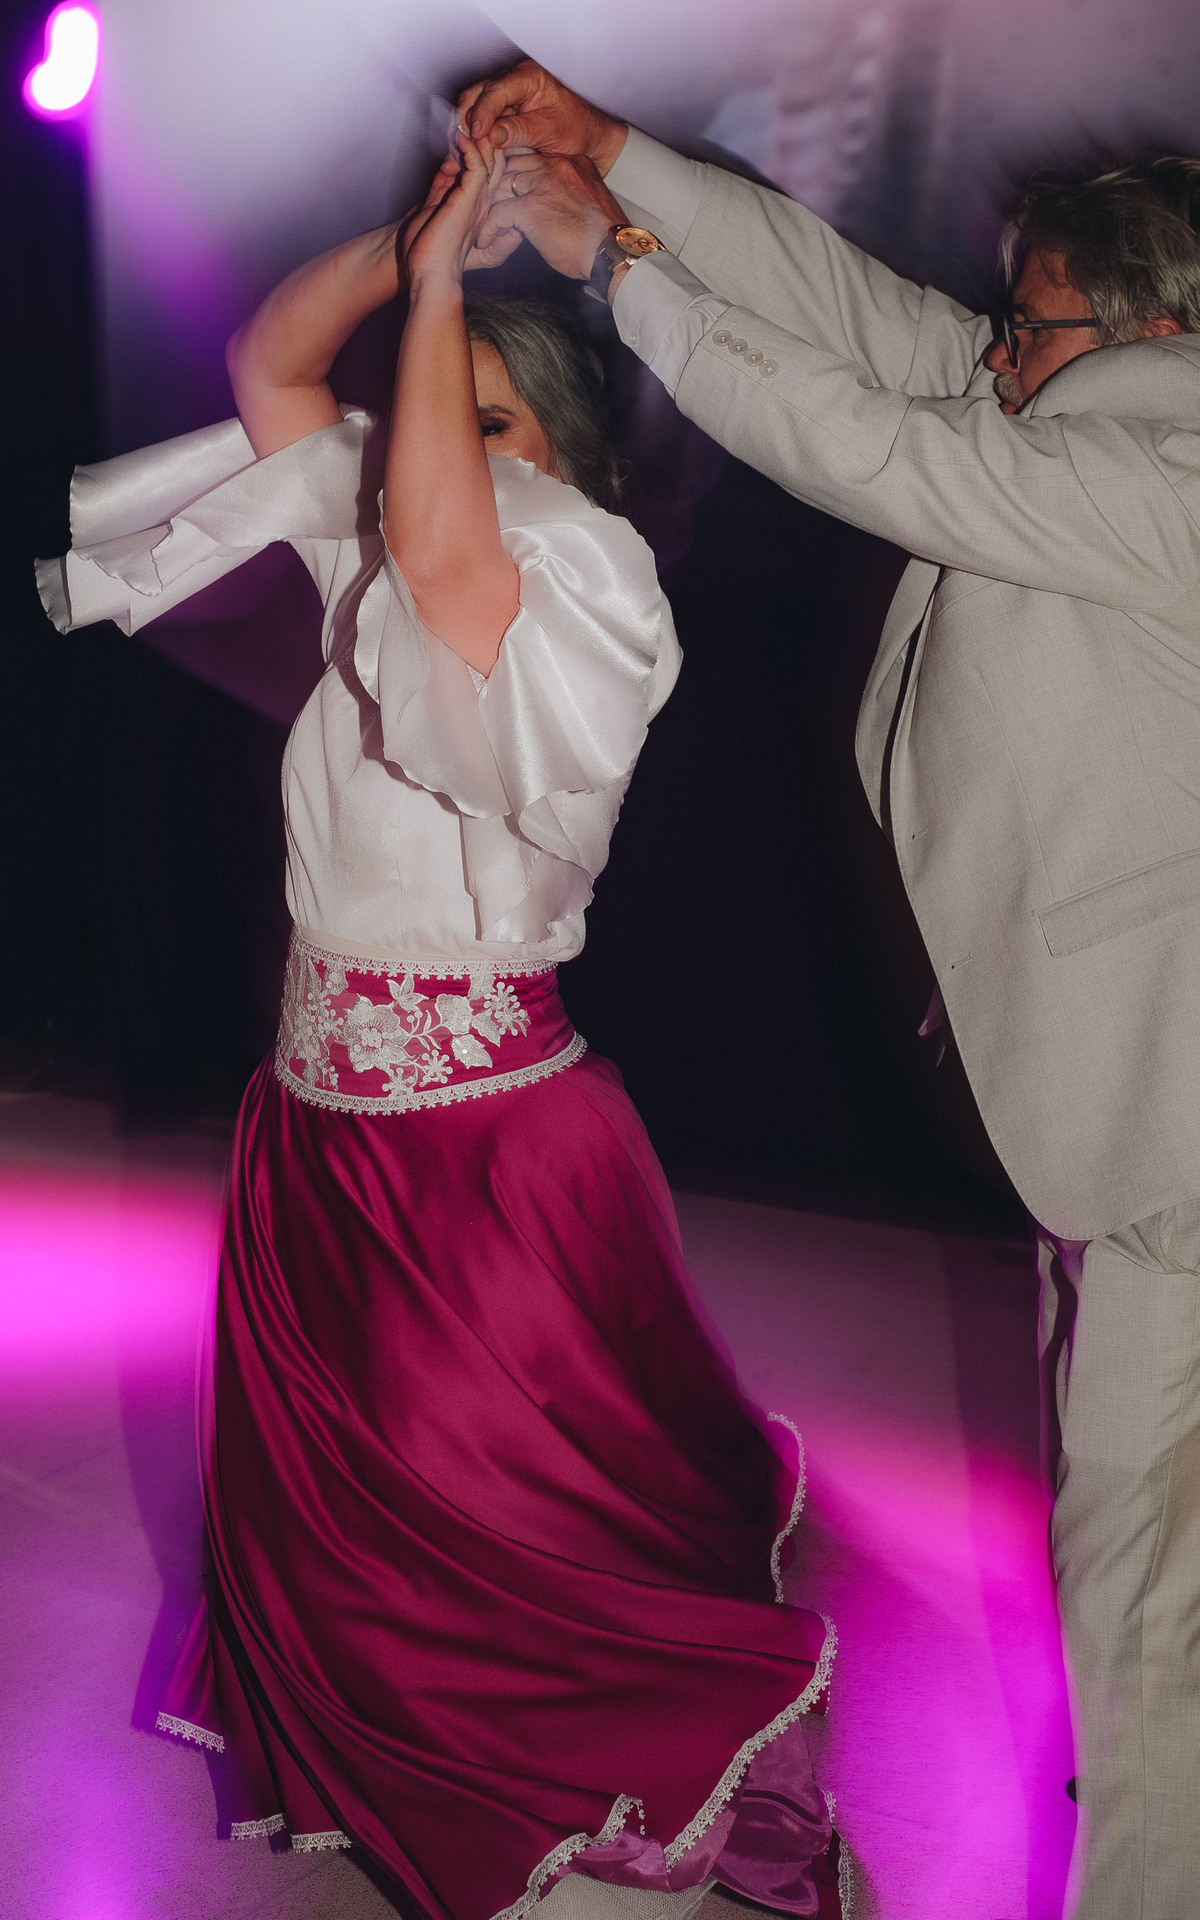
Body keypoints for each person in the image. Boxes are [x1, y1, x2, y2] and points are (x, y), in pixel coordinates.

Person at [36, 136, 846, 1920]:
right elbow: (268, 363)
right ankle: (383, 1762)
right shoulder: (390, 539)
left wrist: (428, 302)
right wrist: (419, 238)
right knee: (337, 1522)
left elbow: (444, 537)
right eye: (436, 407)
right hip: (314, 1119)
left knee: (486, 1520)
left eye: (486, 416)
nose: (436, 437)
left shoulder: (573, 580)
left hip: (481, 1148)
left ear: (558, 448)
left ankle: (560, 1769)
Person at [455, 60, 1200, 1920]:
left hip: (1182, 1131)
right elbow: (864, 320)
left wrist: (619, 269)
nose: (993, 352)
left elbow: (866, 437)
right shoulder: (1077, 416)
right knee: (1136, 1565)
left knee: (1139, 1589)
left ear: (1156, 333)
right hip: (1133, 1113)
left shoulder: (1164, 469)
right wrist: (619, 162)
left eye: (1028, 324)